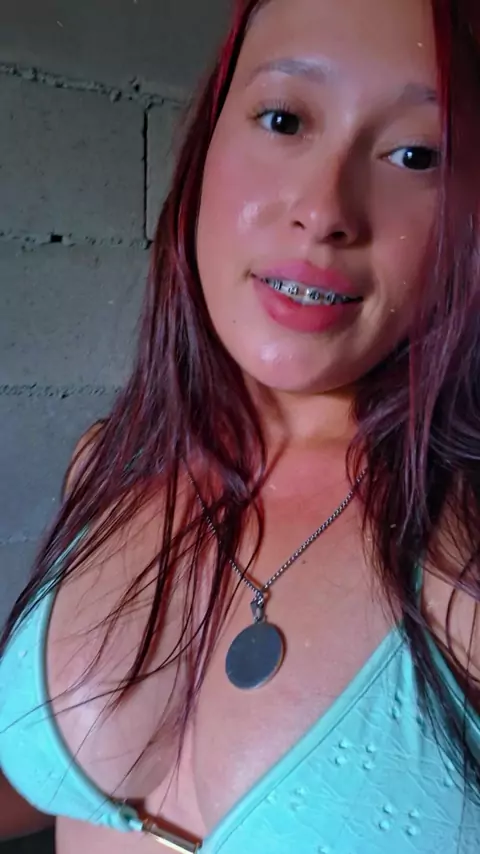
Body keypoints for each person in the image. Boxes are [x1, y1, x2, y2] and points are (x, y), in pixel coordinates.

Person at [1, 0, 480, 851]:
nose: (324, 210)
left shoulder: (462, 557)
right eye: (284, 119)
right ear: (207, 142)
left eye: (416, 154)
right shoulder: (110, 462)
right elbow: (45, 786)